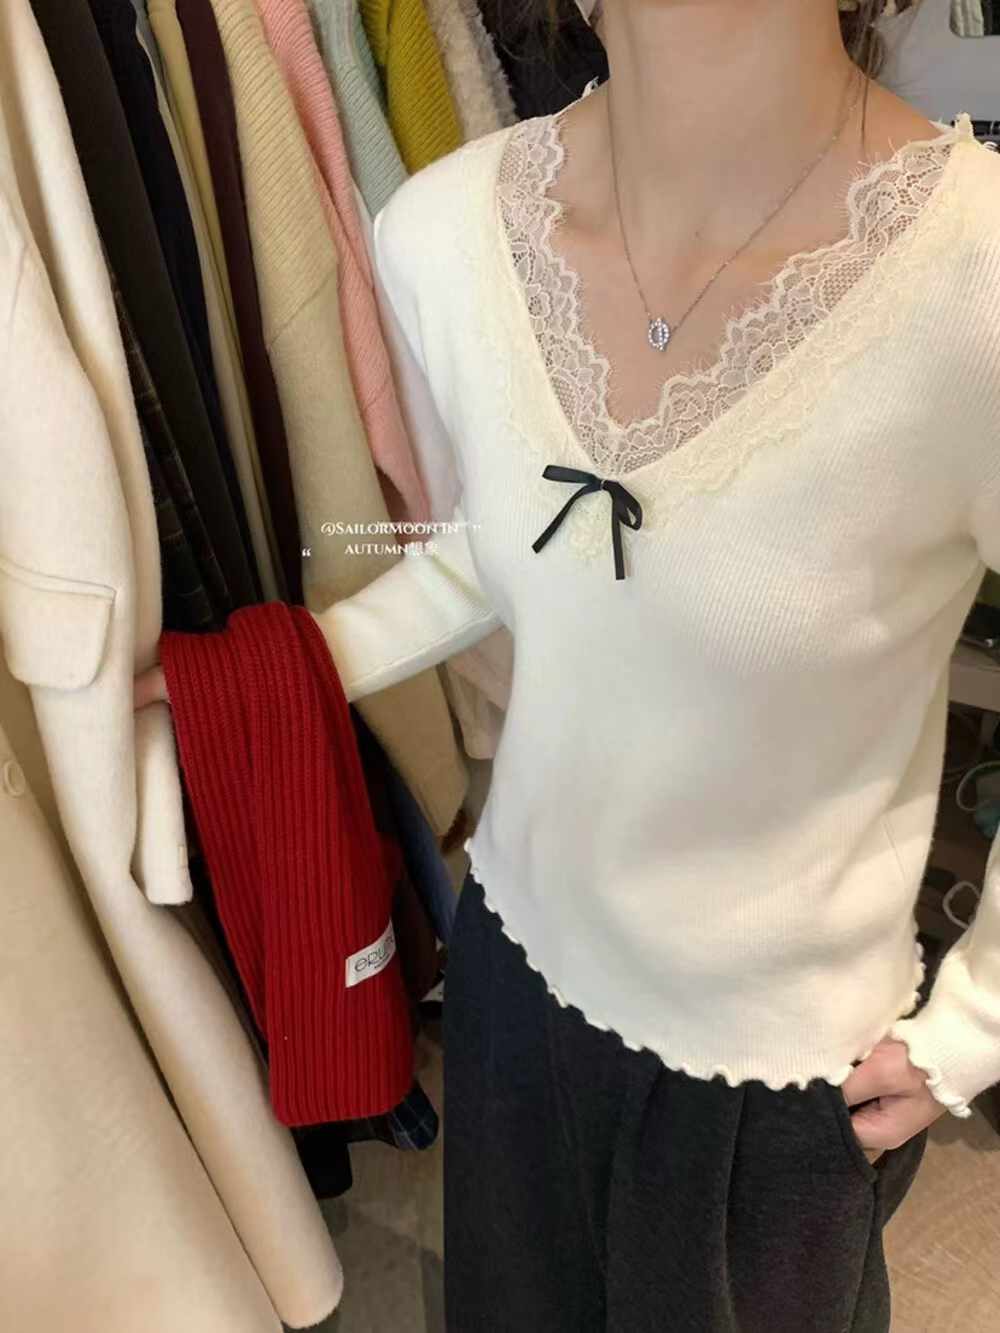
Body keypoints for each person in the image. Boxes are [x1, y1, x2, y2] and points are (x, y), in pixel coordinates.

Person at [137, 0, 1000, 1327]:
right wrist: (267, 674)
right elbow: (503, 549)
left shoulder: (972, 278)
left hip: (768, 1063)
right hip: (515, 978)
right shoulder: (444, 234)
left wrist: (973, 1024)